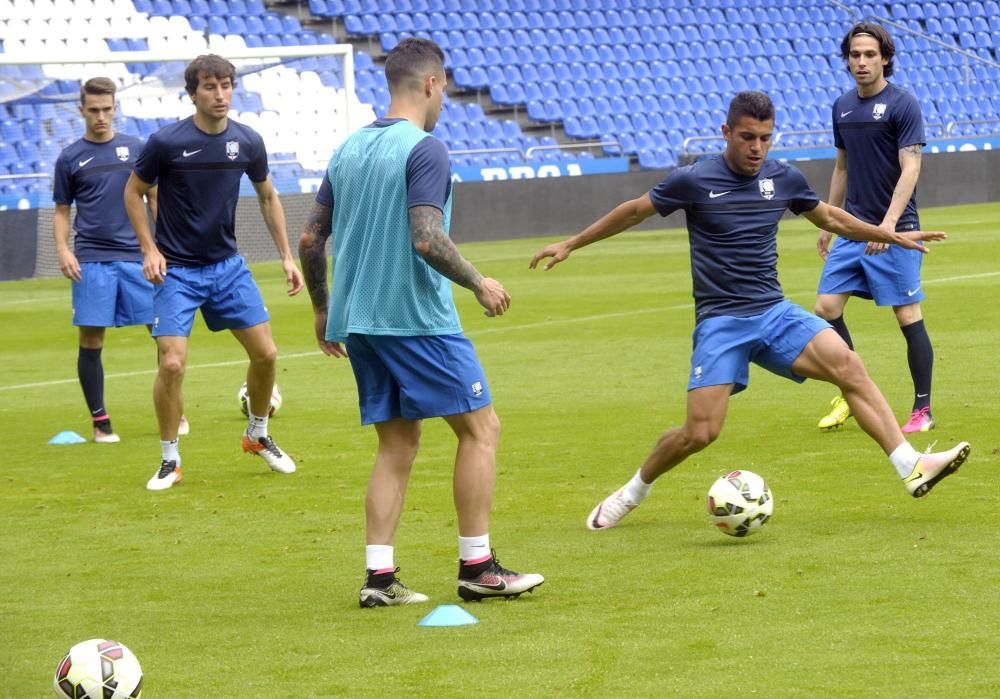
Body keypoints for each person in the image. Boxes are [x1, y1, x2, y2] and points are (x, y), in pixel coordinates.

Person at [528, 91, 971, 532]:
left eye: (764, 137)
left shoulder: (784, 178)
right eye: (747, 137)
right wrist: (571, 243)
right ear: (727, 133)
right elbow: (632, 212)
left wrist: (891, 235)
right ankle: (633, 491)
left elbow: (832, 219)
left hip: (774, 312)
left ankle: (910, 465)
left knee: (849, 365)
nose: (757, 147)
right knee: (700, 432)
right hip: (722, 323)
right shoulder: (693, 179)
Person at [298, 38, 543, 606]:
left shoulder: (348, 148)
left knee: (397, 445)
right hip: (415, 320)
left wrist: (321, 308)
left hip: (358, 320)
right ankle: (478, 567)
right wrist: (480, 282)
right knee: (482, 430)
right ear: (431, 84)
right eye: (445, 89)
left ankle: (379, 580)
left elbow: (311, 237)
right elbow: (427, 237)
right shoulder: (425, 149)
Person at [124, 54, 303, 491]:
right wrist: (149, 249)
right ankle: (170, 460)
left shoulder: (248, 141)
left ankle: (257, 434)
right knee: (171, 363)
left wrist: (286, 256)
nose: (220, 94)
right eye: (210, 87)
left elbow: (267, 197)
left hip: (227, 268)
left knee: (266, 354)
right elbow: (133, 192)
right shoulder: (165, 142)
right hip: (177, 273)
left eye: (226, 86)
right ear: (193, 93)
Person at [814, 22, 935, 434]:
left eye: (869, 54)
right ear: (846, 59)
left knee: (906, 315)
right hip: (852, 228)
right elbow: (842, 167)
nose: (861, 62)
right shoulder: (842, 106)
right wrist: (828, 219)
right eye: (854, 55)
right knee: (825, 310)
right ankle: (852, 390)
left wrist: (887, 225)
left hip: (895, 228)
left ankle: (922, 411)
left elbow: (912, 166)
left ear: (885, 57)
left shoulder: (903, 104)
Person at [53, 77, 189, 443]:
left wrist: (162, 247)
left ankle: (174, 410)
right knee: (91, 340)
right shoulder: (69, 158)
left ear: (115, 109)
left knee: (163, 336)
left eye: (107, 109)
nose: (101, 116)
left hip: (138, 257)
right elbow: (63, 211)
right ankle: (101, 422)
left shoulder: (138, 149)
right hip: (92, 259)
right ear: (81, 110)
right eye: (93, 110)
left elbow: (156, 199)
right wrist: (64, 249)